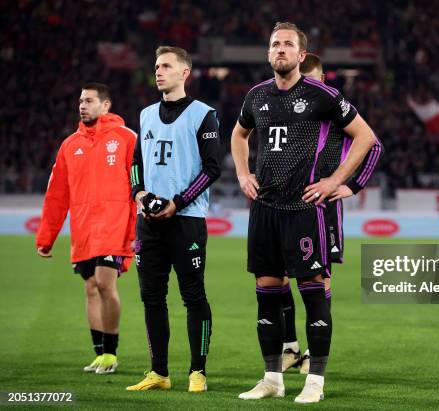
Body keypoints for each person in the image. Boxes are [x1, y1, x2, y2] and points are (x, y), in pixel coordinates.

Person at [232, 22, 377, 403]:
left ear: (300, 55)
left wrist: (335, 181)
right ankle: (272, 379)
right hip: (264, 210)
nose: (280, 50)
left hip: (304, 209)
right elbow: (238, 134)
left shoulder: (322, 95)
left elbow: (366, 138)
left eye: (288, 45)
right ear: (268, 54)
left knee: (313, 295)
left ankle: (315, 382)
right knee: (267, 295)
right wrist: (243, 172)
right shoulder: (256, 96)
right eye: (275, 44)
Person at [280, 53, 383, 374]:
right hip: (286, 205)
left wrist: (350, 186)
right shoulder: (288, 110)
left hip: (323, 208)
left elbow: (373, 146)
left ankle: (313, 351)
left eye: (313, 79)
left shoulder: (338, 112)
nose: (308, 86)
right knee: (279, 276)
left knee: (319, 281)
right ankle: (289, 347)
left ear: (322, 79)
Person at [127, 46, 221, 393]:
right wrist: (139, 193)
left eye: (166, 66)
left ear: (185, 73)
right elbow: (136, 162)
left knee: (193, 296)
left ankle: (198, 371)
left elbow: (212, 168)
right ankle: (159, 373)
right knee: (152, 297)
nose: (158, 71)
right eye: (155, 66)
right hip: (148, 221)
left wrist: (177, 201)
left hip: (186, 220)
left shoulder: (203, 115)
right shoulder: (146, 115)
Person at [36, 83, 136, 375]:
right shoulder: (70, 145)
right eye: (81, 100)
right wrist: (46, 237)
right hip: (83, 229)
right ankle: (98, 353)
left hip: (115, 226)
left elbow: (142, 182)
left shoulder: (127, 138)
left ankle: (110, 353)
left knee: (106, 284)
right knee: (91, 289)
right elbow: (57, 194)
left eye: (89, 100)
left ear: (105, 105)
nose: (83, 105)